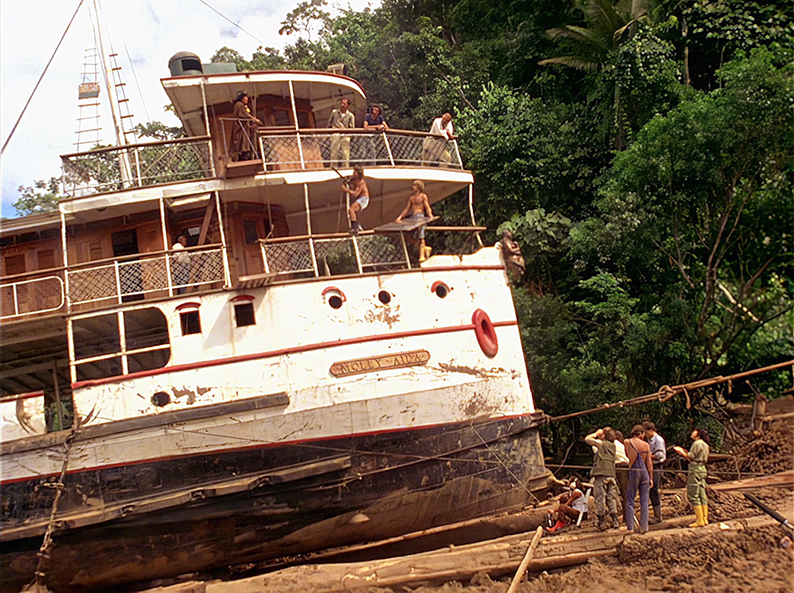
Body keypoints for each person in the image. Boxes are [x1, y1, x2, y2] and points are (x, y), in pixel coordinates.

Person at [585, 427, 621, 530]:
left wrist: (596, 433)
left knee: (600, 497)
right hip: (611, 474)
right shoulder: (613, 446)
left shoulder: (601, 444)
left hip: (601, 474)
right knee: (611, 497)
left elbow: (587, 439)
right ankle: (615, 520)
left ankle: (601, 520)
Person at [673, 428, 710, 528]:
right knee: (702, 493)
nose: (692, 432)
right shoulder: (705, 444)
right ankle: (705, 518)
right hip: (702, 468)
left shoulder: (697, 443)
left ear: (698, 433)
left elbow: (691, 457)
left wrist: (681, 452)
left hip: (695, 468)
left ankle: (699, 520)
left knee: (693, 494)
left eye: (694, 431)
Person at [624, 424, 653, 533]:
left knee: (630, 500)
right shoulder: (646, 445)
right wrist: (651, 478)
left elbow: (627, 457)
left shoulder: (627, 442)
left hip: (634, 470)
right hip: (644, 472)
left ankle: (630, 527)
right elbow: (649, 463)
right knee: (644, 500)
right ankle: (644, 527)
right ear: (641, 433)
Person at [395, 180, 434, 261]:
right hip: (413, 218)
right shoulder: (411, 198)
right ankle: (424, 248)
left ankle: (422, 256)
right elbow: (406, 209)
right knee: (407, 235)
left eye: (414, 185)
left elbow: (427, 206)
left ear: (418, 187)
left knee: (421, 236)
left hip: (420, 217)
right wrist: (400, 217)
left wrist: (430, 215)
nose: (413, 187)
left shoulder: (423, 196)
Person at [643, 421, 667, 524]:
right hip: (649, 466)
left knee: (654, 489)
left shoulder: (658, 440)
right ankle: (652, 514)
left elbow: (661, 455)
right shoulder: (647, 440)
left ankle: (658, 516)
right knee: (649, 489)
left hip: (657, 466)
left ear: (651, 430)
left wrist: (648, 456)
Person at [230, 91, 262, 162]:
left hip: (245, 128)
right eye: (245, 97)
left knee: (246, 142)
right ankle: (241, 156)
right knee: (241, 143)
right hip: (240, 128)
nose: (247, 99)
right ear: (242, 98)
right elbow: (243, 115)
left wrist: (251, 126)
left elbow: (246, 117)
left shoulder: (243, 106)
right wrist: (254, 119)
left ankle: (247, 155)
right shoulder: (239, 105)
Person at [328, 97, 355, 167]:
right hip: (335, 134)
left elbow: (352, 128)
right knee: (334, 152)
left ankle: (345, 168)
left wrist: (348, 135)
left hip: (345, 135)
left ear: (348, 105)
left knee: (345, 153)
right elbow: (329, 123)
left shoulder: (350, 115)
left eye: (344, 104)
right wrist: (332, 128)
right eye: (342, 103)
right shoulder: (334, 112)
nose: (342, 105)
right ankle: (333, 167)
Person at [342, 166, 369, 234]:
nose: (353, 173)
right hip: (360, 199)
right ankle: (356, 224)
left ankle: (354, 227)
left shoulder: (361, 182)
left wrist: (346, 190)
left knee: (352, 209)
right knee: (352, 211)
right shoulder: (355, 180)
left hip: (364, 199)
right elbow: (350, 181)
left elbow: (356, 193)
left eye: (355, 172)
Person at [613, 429, 630, 518]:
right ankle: (626, 514)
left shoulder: (614, 444)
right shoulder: (622, 445)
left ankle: (627, 514)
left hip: (619, 466)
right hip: (626, 465)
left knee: (623, 491)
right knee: (625, 491)